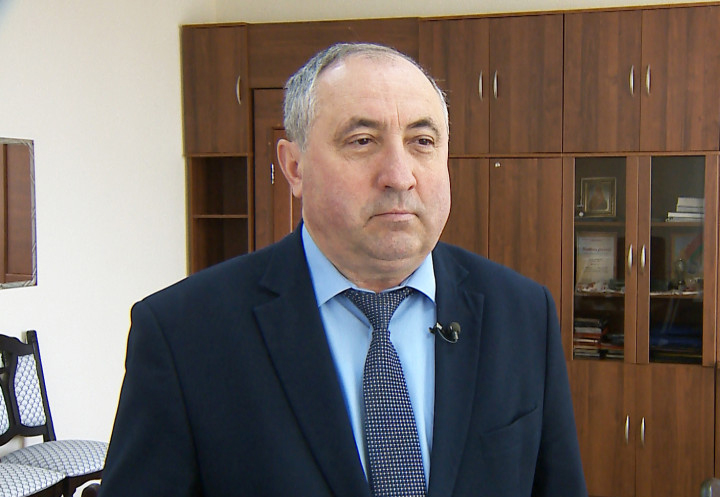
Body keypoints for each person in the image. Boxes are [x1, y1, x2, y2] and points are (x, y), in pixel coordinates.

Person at [99, 43, 588, 497]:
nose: (399, 176)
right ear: (294, 167)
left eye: (422, 140)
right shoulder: (183, 334)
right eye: (362, 141)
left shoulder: (523, 313)